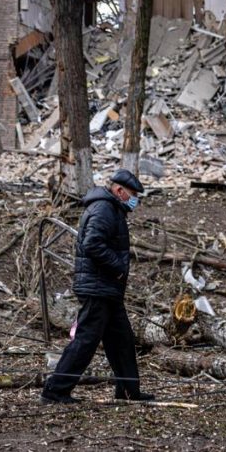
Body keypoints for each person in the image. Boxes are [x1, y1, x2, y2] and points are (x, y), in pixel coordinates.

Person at [40, 169, 155, 404]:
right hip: (98, 287)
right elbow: (92, 243)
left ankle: (128, 391)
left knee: (122, 341)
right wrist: (118, 267)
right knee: (85, 340)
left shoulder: (111, 209)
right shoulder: (104, 209)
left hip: (107, 288)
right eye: (133, 194)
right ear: (119, 191)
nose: (135, 200)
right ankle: (55, 390)